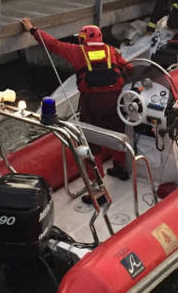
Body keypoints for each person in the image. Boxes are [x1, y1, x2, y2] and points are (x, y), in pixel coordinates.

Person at [21, 17, 131, 181]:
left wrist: (32, 29)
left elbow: (52, 44)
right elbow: (128, 68)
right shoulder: (112, 51)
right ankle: (120, 168)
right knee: (116, 133)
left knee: (90, 142)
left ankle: (97, 183)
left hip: (91, 102)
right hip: (114, 100)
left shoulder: (77, 51)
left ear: (83, 38)